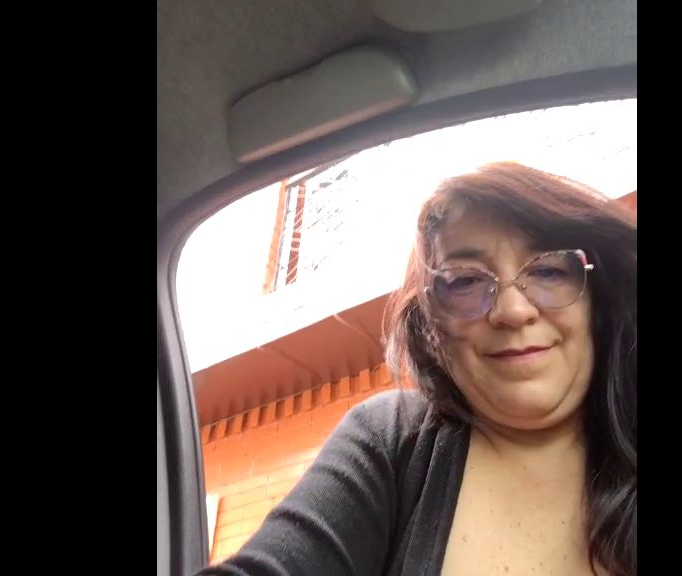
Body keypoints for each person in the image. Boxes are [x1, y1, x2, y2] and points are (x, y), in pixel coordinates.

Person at [197, 162, 637, 576]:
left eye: (548, 271)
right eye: (465, 281)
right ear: (432, 325)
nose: (512, 310)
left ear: (596, 299)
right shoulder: (392, 441)